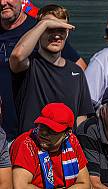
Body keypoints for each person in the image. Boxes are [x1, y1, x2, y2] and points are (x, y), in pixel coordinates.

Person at [0, 0, 84, 137]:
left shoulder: (75, 71)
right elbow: (17, 57)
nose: (3, 3)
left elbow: (81, 113)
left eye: (60, 30)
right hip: (21, 136)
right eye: (50, 29)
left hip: (56, 140)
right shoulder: (32, 63)